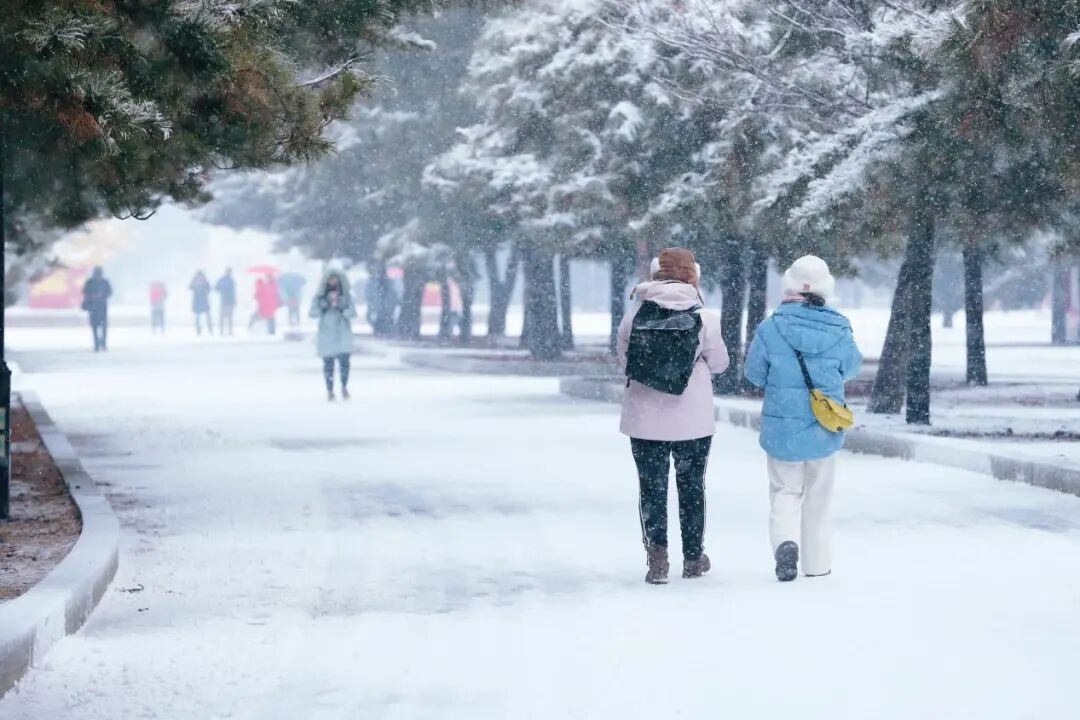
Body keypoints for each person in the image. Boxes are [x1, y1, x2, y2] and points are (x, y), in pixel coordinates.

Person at [744, 255, 863, 582]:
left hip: (782, 425)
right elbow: (851, 368)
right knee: (818, 497)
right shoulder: (839, 326)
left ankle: (785, 543)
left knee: (785, 490)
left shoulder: (770, 327)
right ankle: (816, 562)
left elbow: (754, 373)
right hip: (823, 424)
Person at [617, 247, 729, 585]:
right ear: (693, 276)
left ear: (655, 274)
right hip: (692, 419)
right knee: (691, 485)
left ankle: (658, 558)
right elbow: (721, 364)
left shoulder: (635, 313)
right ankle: (693, 557)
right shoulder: (704, 317)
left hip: (644, 417)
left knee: (651, 488)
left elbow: (625, 362)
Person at [309, 268, 356, 401]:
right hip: (327, 334)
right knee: (328, 365)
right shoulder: (320, 297)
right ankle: (330, 390)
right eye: (331, 279)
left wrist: (341, 308)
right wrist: (325, 307)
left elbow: (352, 313)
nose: (333, 282)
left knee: (345, 363)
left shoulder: (346, 297)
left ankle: (344, 387)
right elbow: (312, 313)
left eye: (336, 279)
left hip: (342, 334)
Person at [82, 267, 112, 352]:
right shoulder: (91, 282)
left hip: (100, 308)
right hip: (95, 308)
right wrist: (93, 296)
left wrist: (102, 296)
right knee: (96, 328)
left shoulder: (103, 282)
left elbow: (109, 292)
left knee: (101, 328)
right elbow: (85, 292)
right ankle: (98, 344)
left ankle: (101, 343)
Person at [190, 271, 213, 335]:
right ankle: (206, 329)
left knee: (200, 316)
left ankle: (202, 329)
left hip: (200, 300)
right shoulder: (203, 280)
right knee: (204, 316)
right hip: (202, 300)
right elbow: (209, 289)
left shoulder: (195, 281)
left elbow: (190, 287)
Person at [215, 268, 237, 336]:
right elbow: (216, 288)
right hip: (226, 300)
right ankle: (224, 330)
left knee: (227, 316)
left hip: (226, 300)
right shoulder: (230, 281)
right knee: (225, 316)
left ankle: (227, 330)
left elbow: (216, 288)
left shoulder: (226, 280)